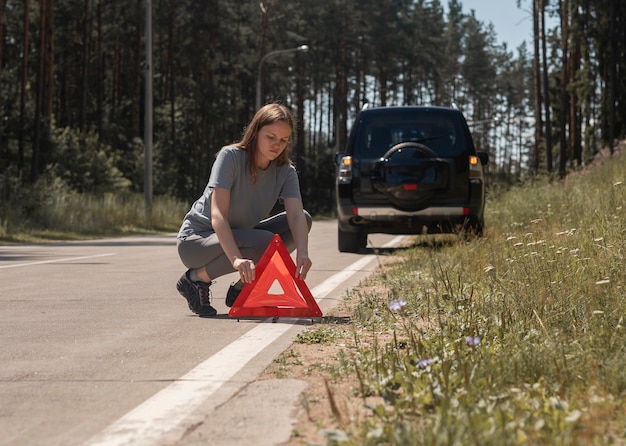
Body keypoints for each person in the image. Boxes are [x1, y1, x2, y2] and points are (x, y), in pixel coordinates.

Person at [175, 103, 313, 317]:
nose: (277, 145)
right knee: (267, 242)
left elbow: (295, 215)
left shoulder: (286, 172)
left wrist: (303, 253)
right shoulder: (230, 157)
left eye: (283, 140)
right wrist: (236, 260)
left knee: (304, 219)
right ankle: (196, 278)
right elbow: (218, 215)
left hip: (242, 236)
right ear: (256, 132)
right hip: (197, 241)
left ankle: (242, 286)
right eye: (271, 137)